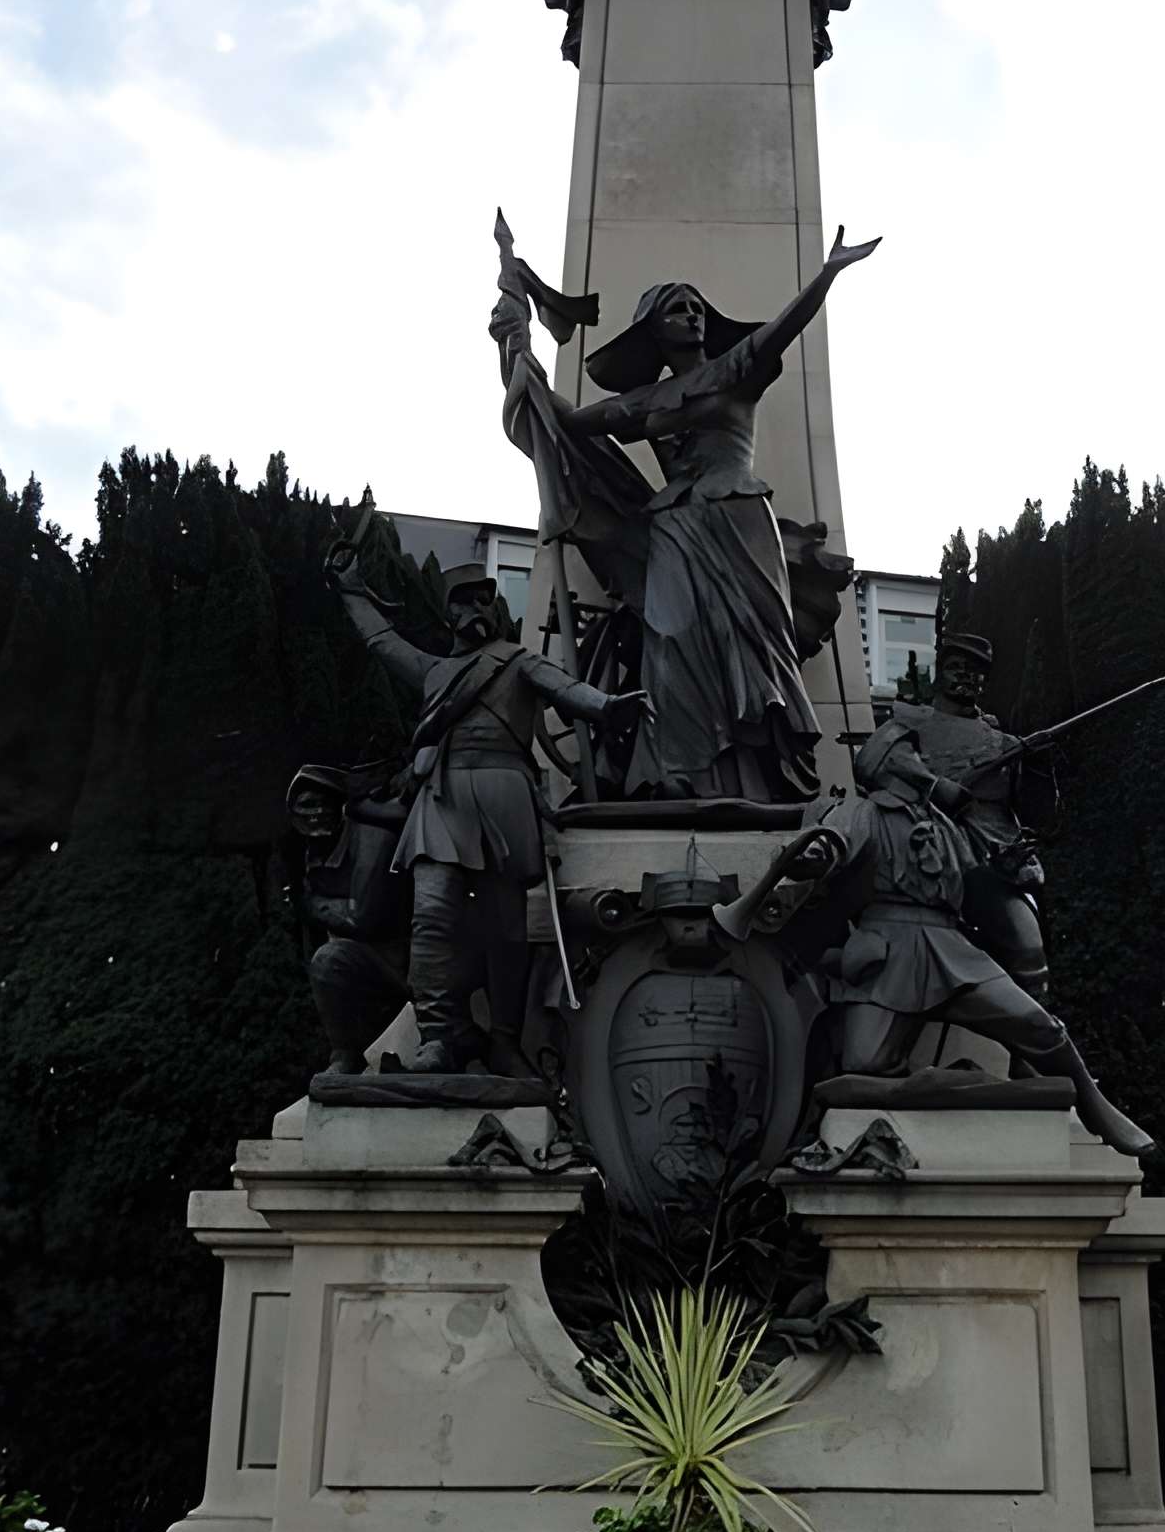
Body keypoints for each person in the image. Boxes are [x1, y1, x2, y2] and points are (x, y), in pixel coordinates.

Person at [559, 226, 879, 802]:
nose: (692, 316)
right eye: (677, 310)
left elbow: (786, 327)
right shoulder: (643, 399)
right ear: (654, 330)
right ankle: (678, 774)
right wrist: (517, 361)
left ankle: (762, 776)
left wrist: (827, 274)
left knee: (755, 639)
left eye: (696, 307)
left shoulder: (739, 367)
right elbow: (569, 424)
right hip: (675, 527)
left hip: (738, 518)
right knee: (670, 642)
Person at [326, 552, 650, 1071]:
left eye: (485, 598)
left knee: (508, 928)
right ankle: (437, 1038)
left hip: (505, 796)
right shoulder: (435, 671)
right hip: (443, 797)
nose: (478, 608)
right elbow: (383, 642)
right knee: (431, 916)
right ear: (448, 613)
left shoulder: (518, 661)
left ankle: (504, 1039)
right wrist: (350, 590)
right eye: (466, 600)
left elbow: (567, 690)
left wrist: (608, 707)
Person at [804, 720, 1152, 1157]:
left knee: (1038, 1026)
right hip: (889, 951)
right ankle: (951, 1084)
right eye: (909, 752)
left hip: (951, 948)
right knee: (864, 1064)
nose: (921, 761)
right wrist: (815, 856)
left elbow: (974, 881)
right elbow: (830, 846)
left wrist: (1008, 869)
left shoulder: (944, 823)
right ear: (885, 761)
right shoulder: (861, 813)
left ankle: (1094, 1105)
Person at [879, 628, 1051, 998]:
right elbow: (875, 760)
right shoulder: (911, 720)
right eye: (957, 667)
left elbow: (1031, 811)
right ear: (939, 672)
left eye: (977, 672)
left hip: (994, 861)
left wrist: (1036, 767)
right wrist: (933, 785)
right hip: (927, 855)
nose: (967, 677)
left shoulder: (1002, 741)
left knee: (1029, 954)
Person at [285, 762, 410, 1079]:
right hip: (360, 963)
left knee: (329, 961)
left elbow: (362, 917)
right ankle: (349, 1052)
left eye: (321, 803)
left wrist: (310, 904)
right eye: (305, 806)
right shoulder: (314, 849)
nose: (315, 814)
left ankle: (346, 1054)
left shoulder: (373, 840)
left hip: (402, 963)